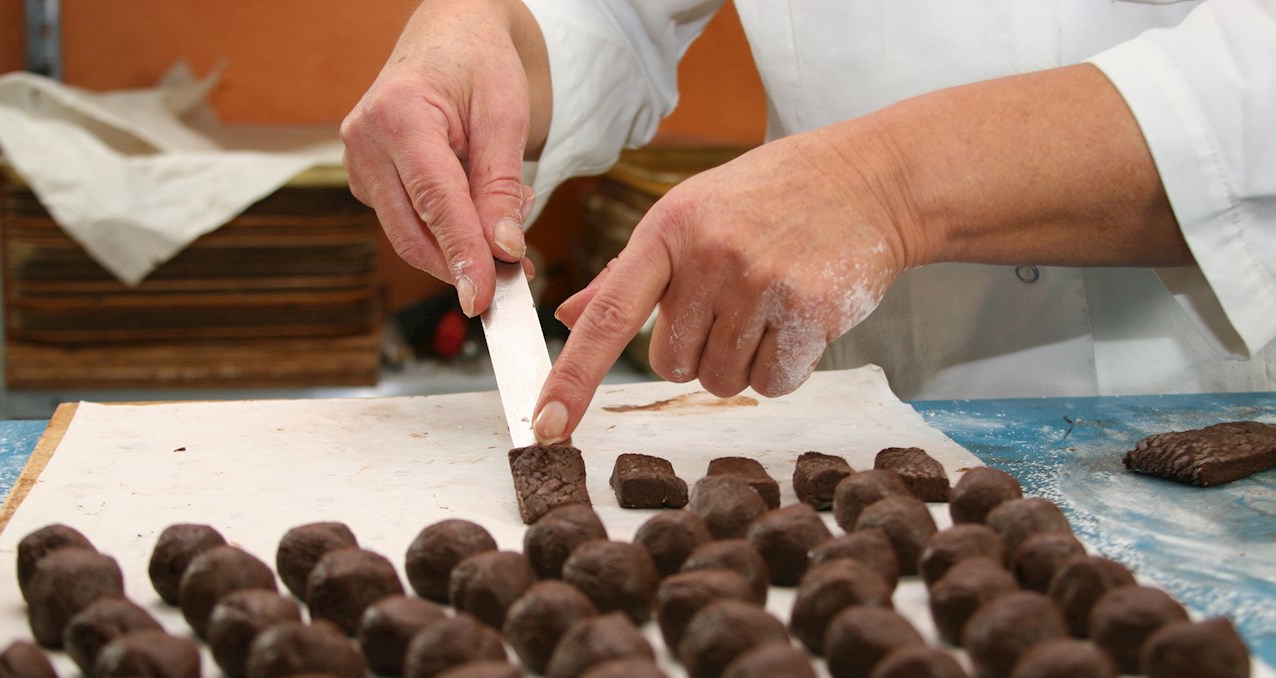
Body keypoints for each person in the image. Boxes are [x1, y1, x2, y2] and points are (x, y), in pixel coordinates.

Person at [341, 0, 1276, 445]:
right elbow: (615, 12)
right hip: (863, 433)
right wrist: (486, 30)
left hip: (1224, 410)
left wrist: (889, 184)